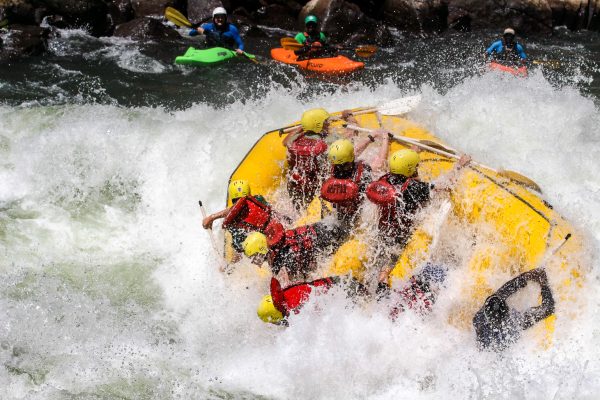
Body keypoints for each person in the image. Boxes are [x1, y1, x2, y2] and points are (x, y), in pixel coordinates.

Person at [366, 145, 470, 290]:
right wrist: (460, 166)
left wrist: (412, 152)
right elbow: (445, 185)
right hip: (400, 235)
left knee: (383, 255)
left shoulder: (385, 179)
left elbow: (402, 170)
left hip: (383, 231)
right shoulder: (414, 188)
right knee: (389, 264)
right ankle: (382, 286)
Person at [283, 108, 357, 211]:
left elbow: (285, 141)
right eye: (326, 122)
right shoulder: (329, 140)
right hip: (321, 187)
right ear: (319, 125)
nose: (329, 124)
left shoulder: (294, 140)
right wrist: (349, 118)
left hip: (299, 187)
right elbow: (352, 136)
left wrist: (304, 127)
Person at [242, 219, 346, 287]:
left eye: (253, 257)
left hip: (325, 237)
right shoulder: (276, 246)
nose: (253, 261)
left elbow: (296, 282)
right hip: (323, 227)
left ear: (262, 250)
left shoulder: (281, 258)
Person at [472, 268, 555, 351]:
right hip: (506, 346)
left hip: (489, 351)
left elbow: (503, 292)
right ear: (507, 311)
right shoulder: (513, 325)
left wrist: (525, 277)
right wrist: (544, 284)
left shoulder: (479, 319)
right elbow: (548, 309)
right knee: (537, 315)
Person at [202, 180, 284, 260]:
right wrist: (212, 217)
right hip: (278, 231)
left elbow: (234, 209)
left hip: (264, 247)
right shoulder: (258, 199)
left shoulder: (234, 226)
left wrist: (212, 217)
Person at [320, 135, 386, 229]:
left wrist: (371, 137)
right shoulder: (362, 171)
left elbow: (350, 154)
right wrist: (385, 138)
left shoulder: (332, 169)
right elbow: (380, 163)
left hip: (338, 213)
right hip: (357, 216)